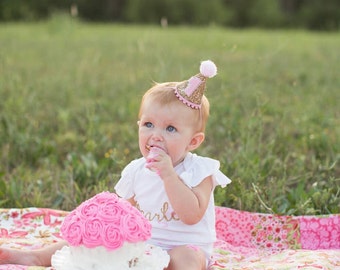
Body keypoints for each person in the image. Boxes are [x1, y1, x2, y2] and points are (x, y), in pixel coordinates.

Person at [0, 60, 231, 270]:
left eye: (170, 129)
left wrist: (169, 176)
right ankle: (38, 257)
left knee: (186, 260)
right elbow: (124, 213)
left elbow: (192, 215)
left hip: (185, 246)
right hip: (143, 245)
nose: (156, 135)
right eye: (149, 124)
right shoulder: (137, 170)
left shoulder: (200, 170)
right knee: (90, 242)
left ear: (193, 141)